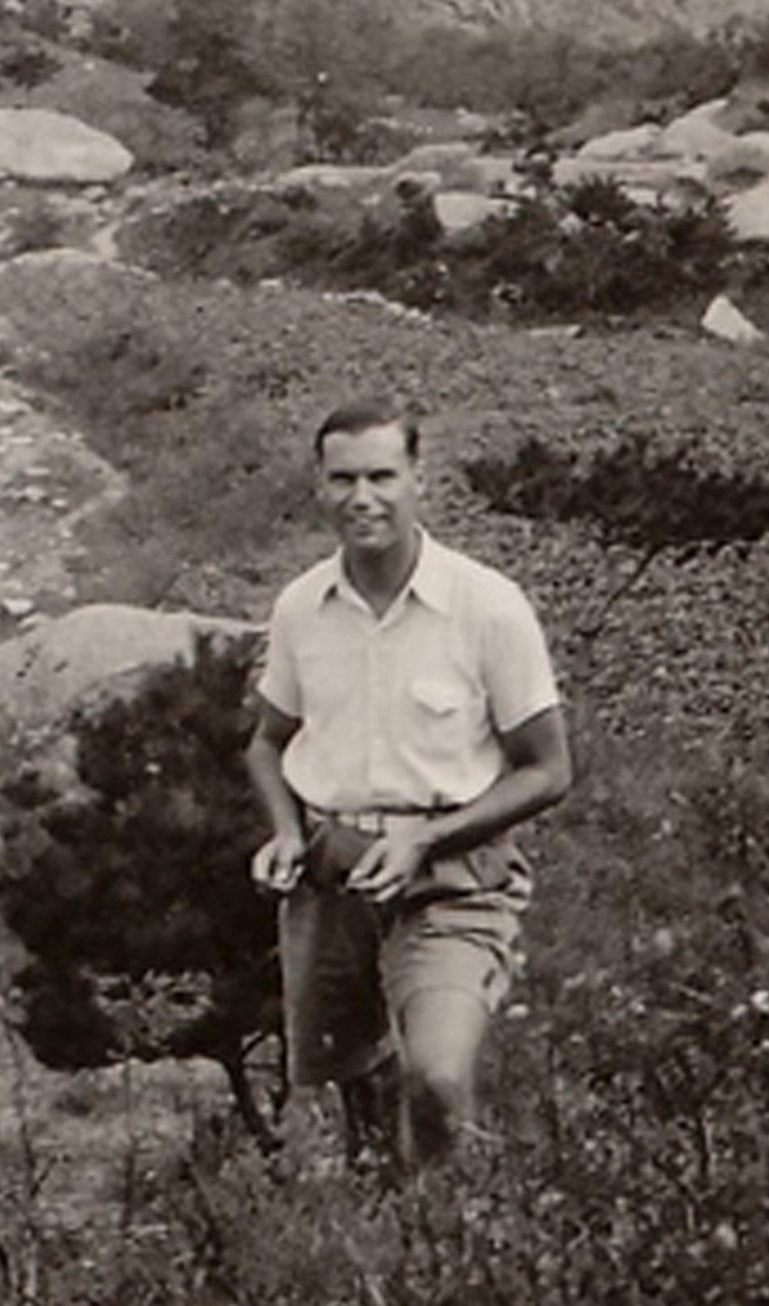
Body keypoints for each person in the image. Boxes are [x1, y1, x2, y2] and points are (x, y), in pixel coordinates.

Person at [244, 397, 572, 1168]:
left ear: (419, 479)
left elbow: (550, 768)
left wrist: (424, 836)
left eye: (383, 475)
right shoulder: (302, 608)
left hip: (454, 876)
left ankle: (448, 1246)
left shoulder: (486, 606)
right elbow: (266, 742)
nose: (364, 498)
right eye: (343, 479)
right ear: (318, 486)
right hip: (330, 881)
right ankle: (386, 1231)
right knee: (349, 1089)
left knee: (437, 1076)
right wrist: (287, 833)